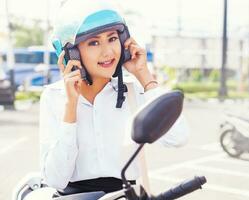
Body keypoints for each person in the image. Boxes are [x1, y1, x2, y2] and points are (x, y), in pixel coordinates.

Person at [39, 0, 189, 196]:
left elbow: (178, 137)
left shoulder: (133, 91)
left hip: (127, 195)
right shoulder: (54, 97)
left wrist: (144, 76)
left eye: (112, 38)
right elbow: (55, 179)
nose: (108, 51)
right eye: (94, 42)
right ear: (71, 53)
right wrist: (71, 107)